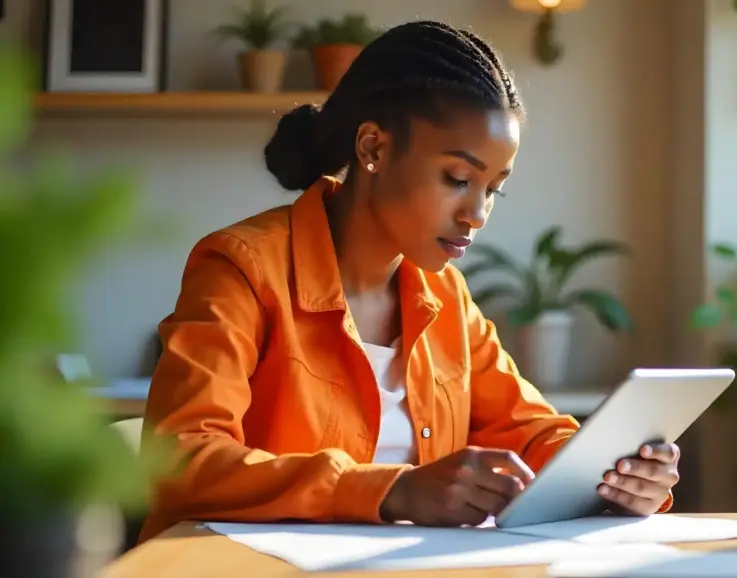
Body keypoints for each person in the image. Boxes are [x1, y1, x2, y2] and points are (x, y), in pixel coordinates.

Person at [137, 20, 680, 544]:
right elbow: (181, 459)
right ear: (373, 148)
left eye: (494, 188)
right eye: (459, 179)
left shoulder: (445, 297)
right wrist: (393, 490)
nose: (478, 213)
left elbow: (531, 432)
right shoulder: (242, 268)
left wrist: (617, 475)